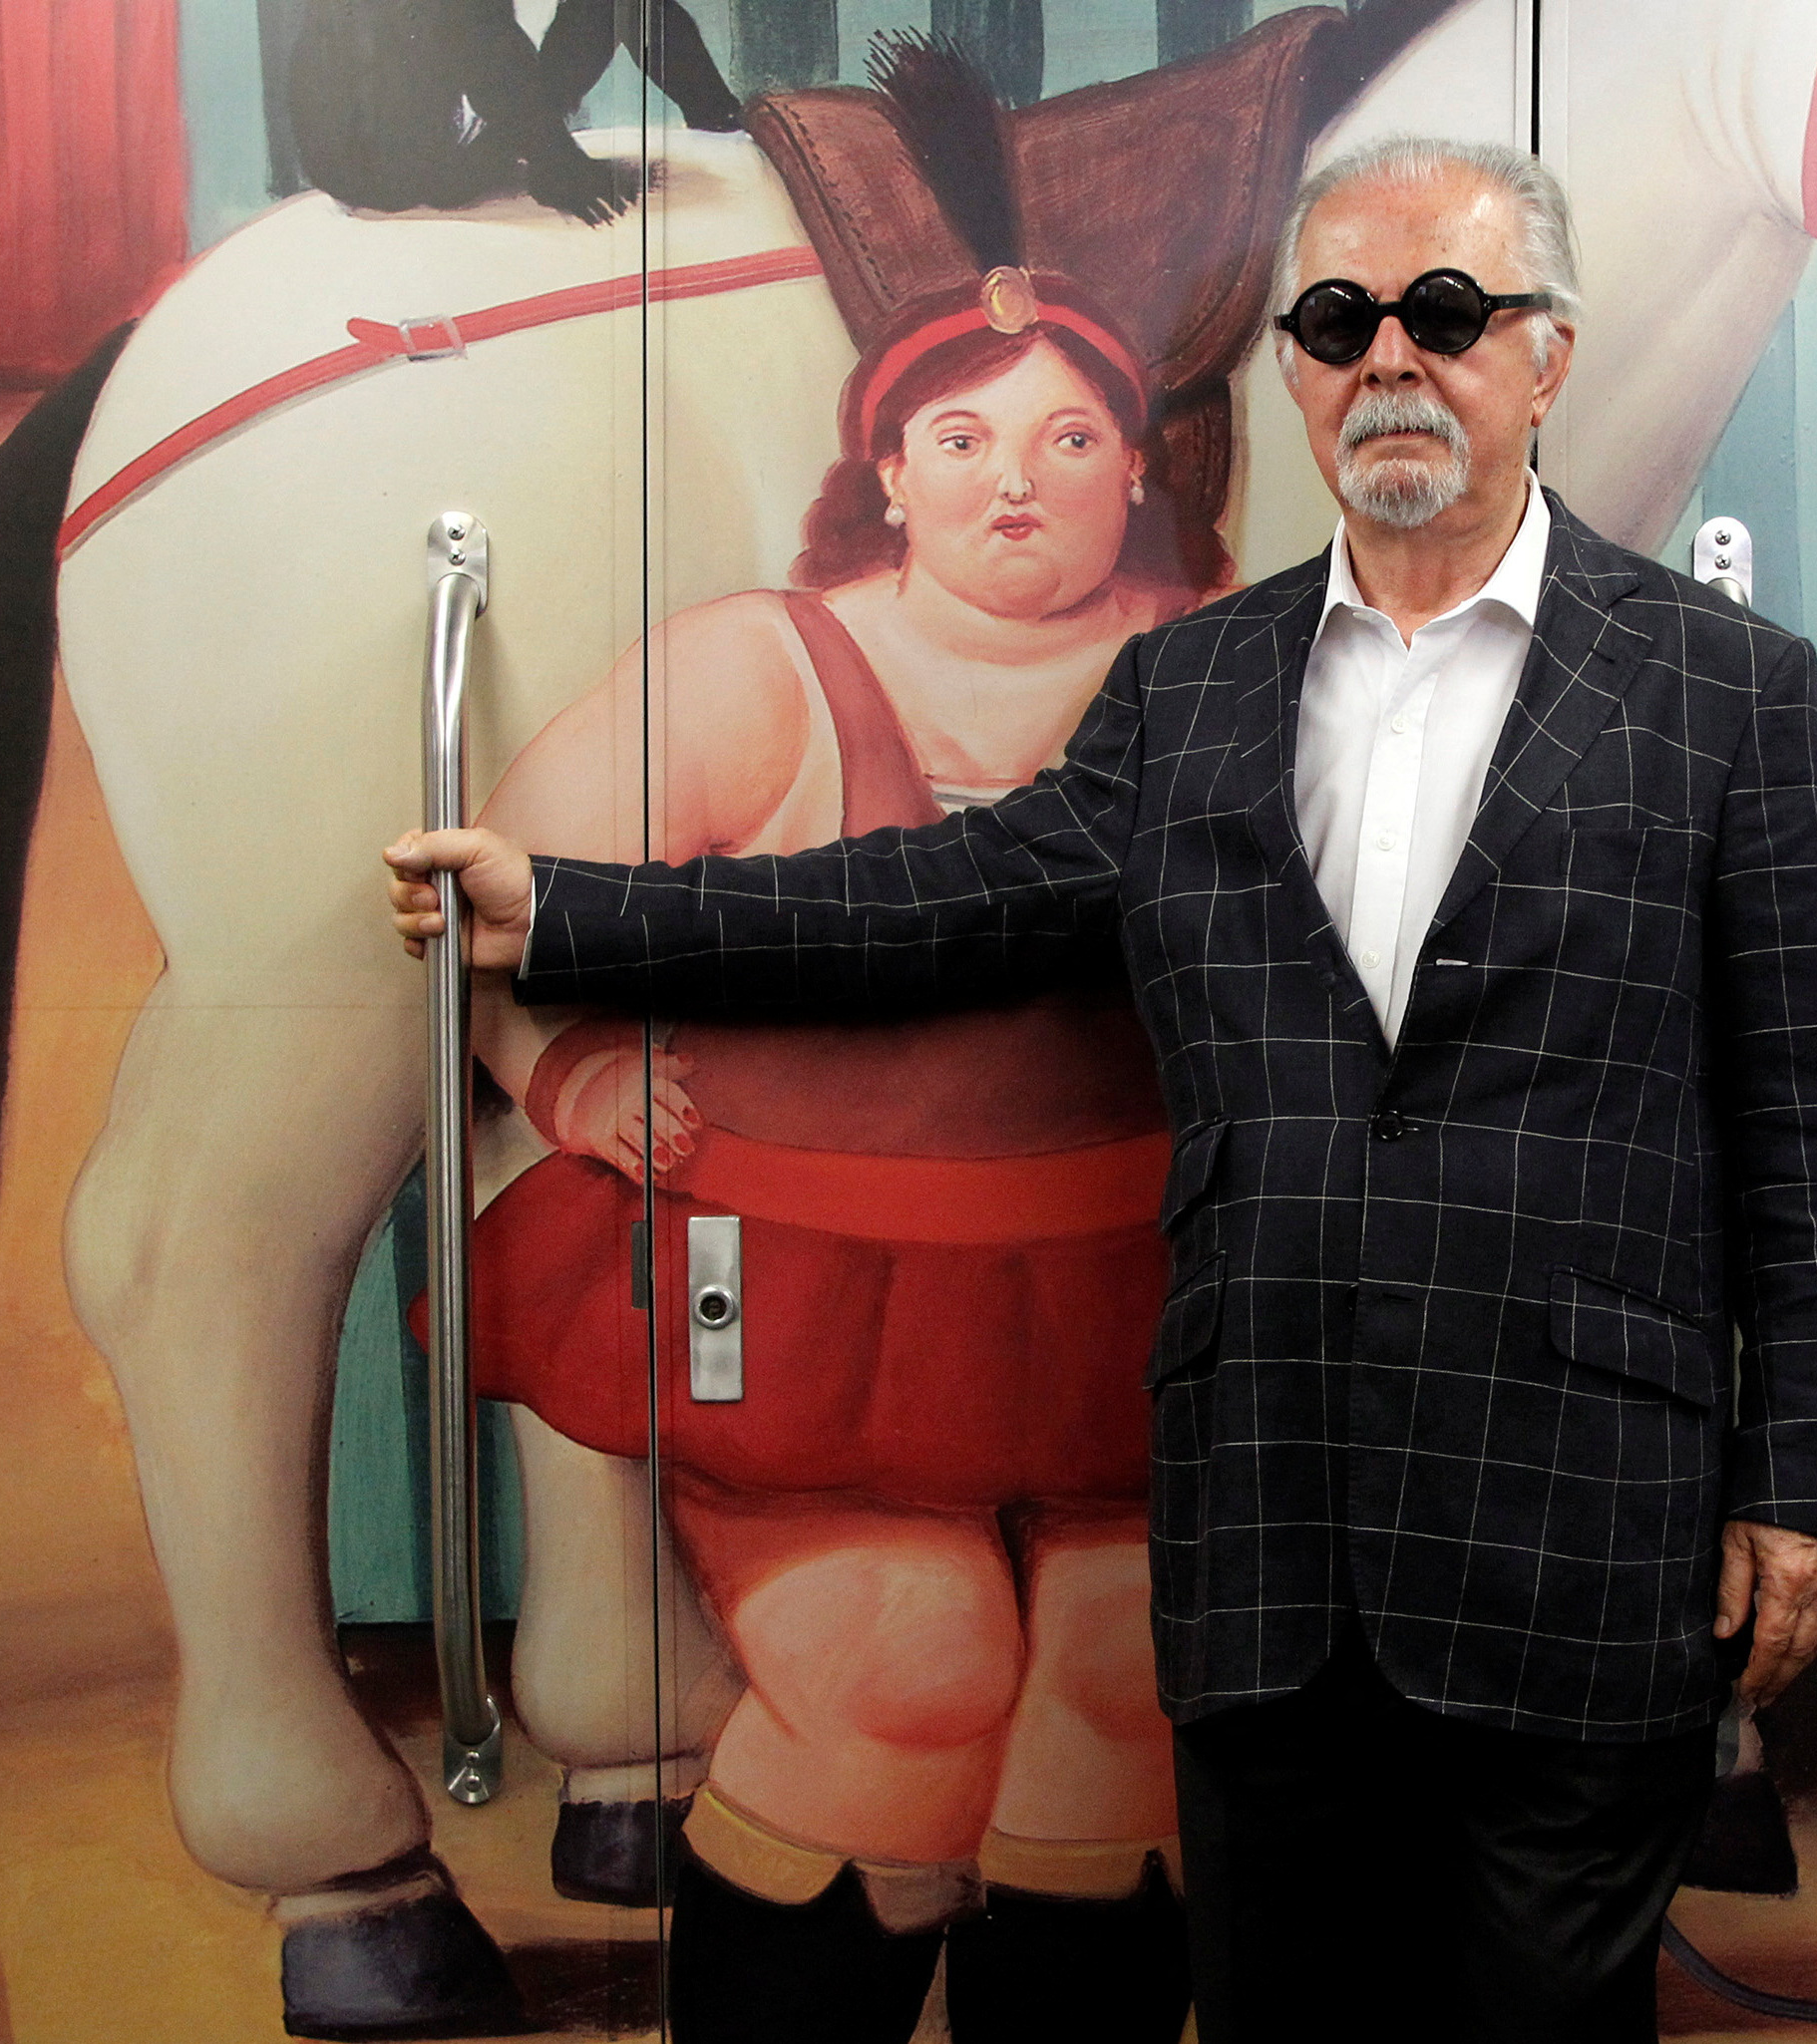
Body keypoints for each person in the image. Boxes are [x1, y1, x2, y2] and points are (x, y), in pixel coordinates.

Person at [391, 135, 1817, 2044]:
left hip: (1578, 1518)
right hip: (1260, 1527)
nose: (1390, 363)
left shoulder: (1719, 688)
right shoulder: (1191, 689)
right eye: (1338, 321)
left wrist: (1807, 1484)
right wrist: (575, 912)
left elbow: (1804, 1118)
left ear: (1548, 355)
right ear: (1290, 366)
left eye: (1445, 313)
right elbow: (946, 895)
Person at [450, 133, 1232, 2044]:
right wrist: (565, 1085)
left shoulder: (1231, 670)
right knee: (904, 1670)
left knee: (1121, 1691)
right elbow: (492, 918)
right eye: (960, 440)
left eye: (1064, 438)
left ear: (1135, 466)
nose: (1013, 480)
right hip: (804, 1299)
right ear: (885, 472)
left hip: (1135, 1287)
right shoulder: (749, 669)